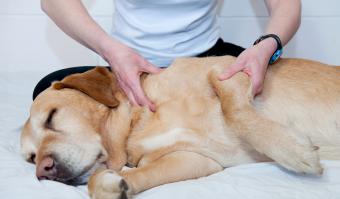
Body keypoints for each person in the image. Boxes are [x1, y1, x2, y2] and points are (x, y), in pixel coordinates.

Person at [35, 0, 301, 112]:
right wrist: (110, 49)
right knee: (48, 94)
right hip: (128, 69)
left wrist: (267, 45)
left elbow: (285, 4)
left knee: (285, 92)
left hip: (205, 65)